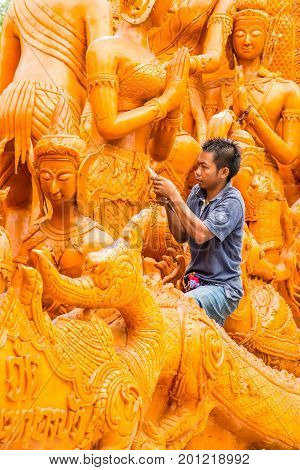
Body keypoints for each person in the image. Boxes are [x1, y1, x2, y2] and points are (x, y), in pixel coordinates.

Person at [152, 137, 244, 326]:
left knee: (181, 308)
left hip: (222, 288)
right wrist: (168, 204)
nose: (197, 172)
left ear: (223, 172)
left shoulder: (232, 202)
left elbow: (201, 234)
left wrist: (175, 195)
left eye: (204, 167)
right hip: (195, 283)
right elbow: (181, 236)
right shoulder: (197, 192)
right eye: (197, 166)